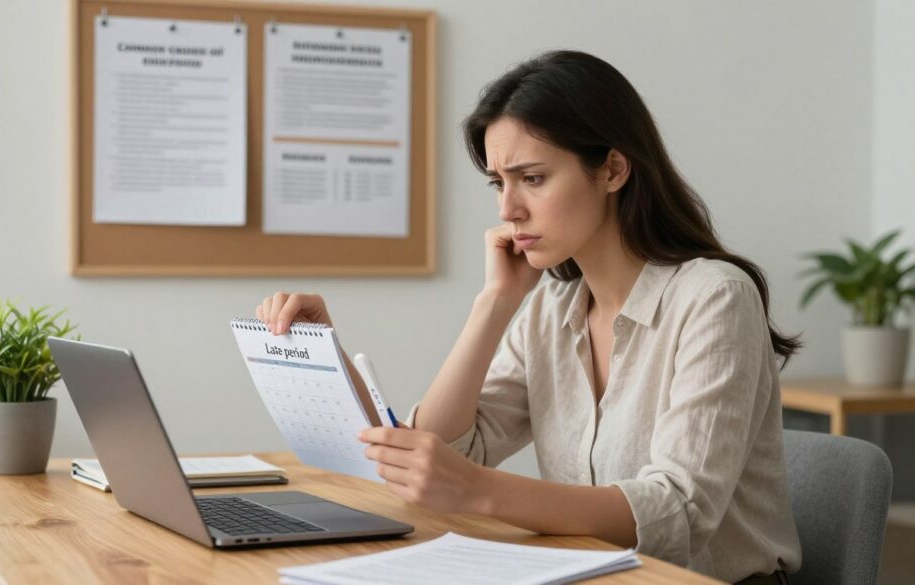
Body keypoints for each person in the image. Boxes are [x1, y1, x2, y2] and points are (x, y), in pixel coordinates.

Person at [256, 50, 801, 585]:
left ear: (612, 169)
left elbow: (678, 510)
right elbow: (448, 450)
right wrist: (494, 303)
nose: (507, 209)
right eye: (499, 183)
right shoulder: (551, 306)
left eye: (532, 179)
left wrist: (477, 490)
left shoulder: (714, 298)